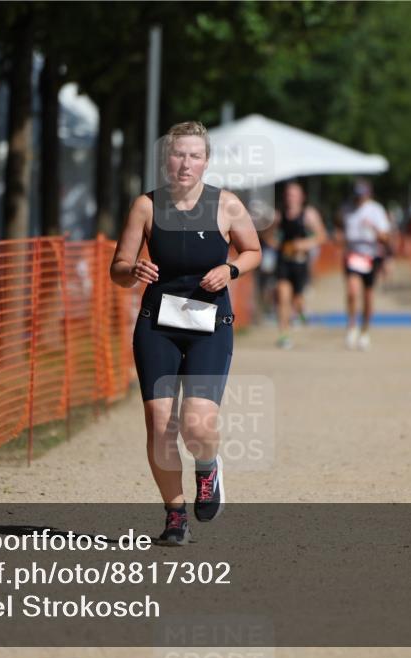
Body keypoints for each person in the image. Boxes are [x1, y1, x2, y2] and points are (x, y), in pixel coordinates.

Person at [109, 121, 261, 545]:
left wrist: (229, 269)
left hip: (209, 324)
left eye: (195, 155)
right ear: (166, 159)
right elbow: (117, 269)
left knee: (196, 425)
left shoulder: (226, 205)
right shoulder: (146, 206)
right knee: (159, 426)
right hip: (157, 323)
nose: (186, 163)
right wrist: (133, 270)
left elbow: (253, 252)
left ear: (206, 162)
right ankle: (175, 516)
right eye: (178, 154)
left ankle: (208, 466)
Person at [273, 181, 327, 349]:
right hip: (283, 262)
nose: (291, 198)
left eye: (294, 194)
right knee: (283, 296)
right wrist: (279, 245)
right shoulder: (278, 214)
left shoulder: (309, 214)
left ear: (302, 197)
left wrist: (303, 244)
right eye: (289, 194)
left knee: (297, 301)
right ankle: (284, 334)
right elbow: (266, 235)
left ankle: (302, 312)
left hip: (301, 263)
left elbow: (322, 236)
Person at [340, 179, 391, 350]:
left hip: (371, 255)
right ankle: (352, 326)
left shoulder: (376, 210)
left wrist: (374, 228)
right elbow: (341, 228)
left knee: (368, 296)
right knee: (352, 291)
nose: (359, 198)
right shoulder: (347, 209)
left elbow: (385, 237)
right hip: (353, 254)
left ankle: (365, 330)